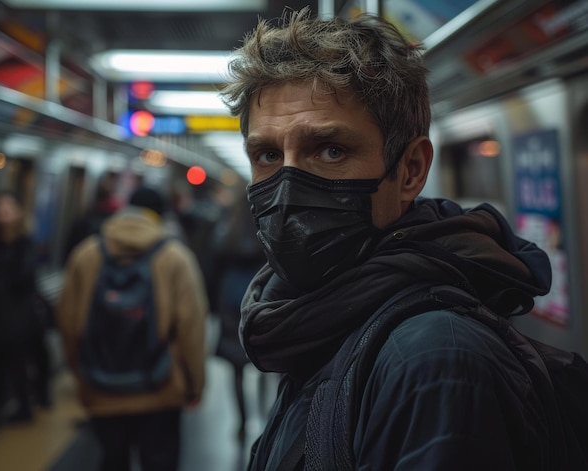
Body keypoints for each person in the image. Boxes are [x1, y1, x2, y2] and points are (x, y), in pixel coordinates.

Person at [220, 8, 559, 470]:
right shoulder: (323, 317)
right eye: (267, 154)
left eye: (331, 150)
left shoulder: (437, 362)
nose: (286, 189)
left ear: (410, 171)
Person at [57, 186, 208, 471]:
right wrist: (195, 384)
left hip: (102, 387)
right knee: (160, 462)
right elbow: (192, 327)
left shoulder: (86, 254)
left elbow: (68, 323)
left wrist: (82, 375)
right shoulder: (175, 257)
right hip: (161, 386)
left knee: (112, 461)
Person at [0, 190, 51, 423]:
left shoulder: (26, 243)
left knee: (19, 362)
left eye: (8, 210)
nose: (3, 215)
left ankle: (24, 407)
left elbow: (23, 279)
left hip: (19, 314)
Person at [210, 189, 266, 443]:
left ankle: (242, 422)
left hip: (231, 300)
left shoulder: (225, 231)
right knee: (268, 363)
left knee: (236, 368)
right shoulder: (267, 230)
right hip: (262, 299)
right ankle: (267, 416)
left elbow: (214, 267)